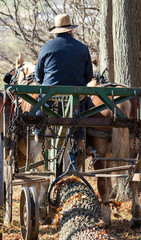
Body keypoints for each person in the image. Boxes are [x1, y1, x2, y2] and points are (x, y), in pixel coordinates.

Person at [34, 13, 93, 150]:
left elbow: (38, 76)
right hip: (75, 95)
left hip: (51, 94)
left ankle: (38, 132)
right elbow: (89, 76)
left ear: (56, 31)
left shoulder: (46, 47)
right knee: (81, 106)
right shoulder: (83, 48)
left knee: (40, 100)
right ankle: (80, 138)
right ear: (70, 30)